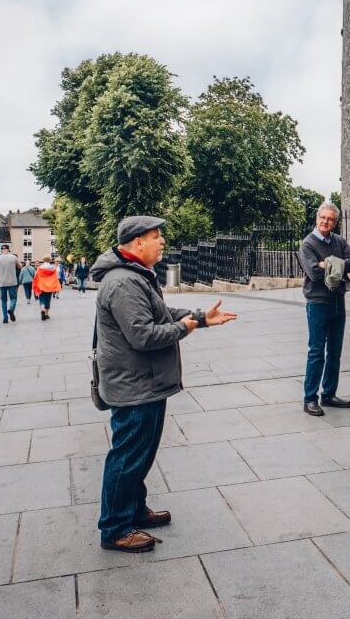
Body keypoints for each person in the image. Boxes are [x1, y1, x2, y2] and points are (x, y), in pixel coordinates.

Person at [92, 216, 237, 553]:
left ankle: (132, 510)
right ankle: (114, 527)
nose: (162, 242)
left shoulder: (135, 276)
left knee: (140, 455)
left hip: (145, 382)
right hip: (135, 386)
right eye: (156, 237)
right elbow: (143, 335)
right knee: (128, 456)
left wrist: (200, 318)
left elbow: (161, 312)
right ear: (137, 242)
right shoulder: (124, 283)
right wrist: (185, 328)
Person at [297, 203, 350, 416]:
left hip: (337, 301)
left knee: (335, 352)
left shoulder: (339, 241)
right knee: (316, 352)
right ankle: (310, 398)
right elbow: (313, 272)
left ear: (335, 222)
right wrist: (332, 265)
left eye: (330, 219)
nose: (326, 222)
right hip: (317, 302)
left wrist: (329, 263)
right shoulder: (308, 244)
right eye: (323, 218)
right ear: (317, 218)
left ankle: (329, 394)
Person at [0, 244, 22, 324]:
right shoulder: (13, 257)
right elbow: (20, 267)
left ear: (1, 250)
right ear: (8, 250)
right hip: (12, 281)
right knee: (13, 298)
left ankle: (5, 318)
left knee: (3, 300)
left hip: (1, 282)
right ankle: (11, 309)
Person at [32, 256, 61, 321]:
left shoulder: (39, 268)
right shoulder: (53, 268)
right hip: (50, 286)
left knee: (42, 299)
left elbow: (36, 276)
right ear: (50, 260)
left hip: (41, 286)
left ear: (44, 260)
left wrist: (35, 284)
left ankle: (42, 310)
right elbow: (55, 276)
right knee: (48, 299)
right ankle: (46, 314)